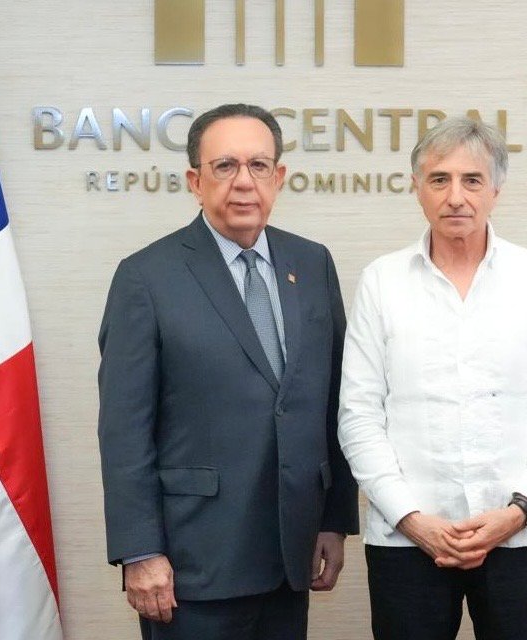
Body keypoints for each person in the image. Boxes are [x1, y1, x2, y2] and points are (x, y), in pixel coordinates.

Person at [98, 103, 359, 639]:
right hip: (193, 564)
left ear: (279, 177)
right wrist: (140, 550)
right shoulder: (146, 277)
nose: (244, 182)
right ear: (195, 181)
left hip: (290, 553)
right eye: (225, 166)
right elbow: (124, 429)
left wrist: (334, 519)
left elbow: (332, 400)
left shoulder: (312, 263)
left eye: (258, 166)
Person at [337, 116, 527, 640]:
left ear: (495, 190)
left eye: (472, 180)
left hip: (521, 537)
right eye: (440, 179)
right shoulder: (382, 281)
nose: (456, 196)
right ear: (417, 188)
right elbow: (358, 416)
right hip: (407, 540)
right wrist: (411, 518)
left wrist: (518, 511)